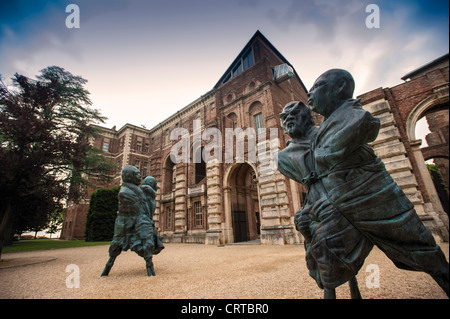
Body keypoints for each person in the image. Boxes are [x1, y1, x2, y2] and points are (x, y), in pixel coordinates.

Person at [302, 68, 449, 297]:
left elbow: (326, 156)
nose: (309, 95)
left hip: (374, 198)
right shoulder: (324, 128)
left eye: (316, 87)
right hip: (343, 203)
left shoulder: (359, 118)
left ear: (340, 87)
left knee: (424, 252)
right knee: (324, 256)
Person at [101, 165, 157, 277]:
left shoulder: (137, 190)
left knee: (148, 240)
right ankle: (109, 264)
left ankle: (149, 265)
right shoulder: (125, 192)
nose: (140, 176)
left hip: (137, 219)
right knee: (120, 243)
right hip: (130, 221)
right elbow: (139, 209)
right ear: (129, 177)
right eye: (137, 174)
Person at [141, 176, 165, 255]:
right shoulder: (146, 192)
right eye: (155, 185)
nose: (156, 187)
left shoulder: (150, 195)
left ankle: (156, 243)